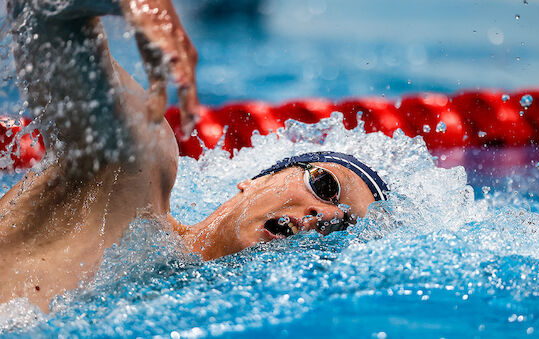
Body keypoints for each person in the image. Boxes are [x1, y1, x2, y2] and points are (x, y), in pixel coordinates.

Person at [0, 0, 388, 312]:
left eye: (343, 228)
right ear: (254, 181)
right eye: (325, 185)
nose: (329, 217)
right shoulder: (133, 177)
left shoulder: (190, 311)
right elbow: (41, 10)